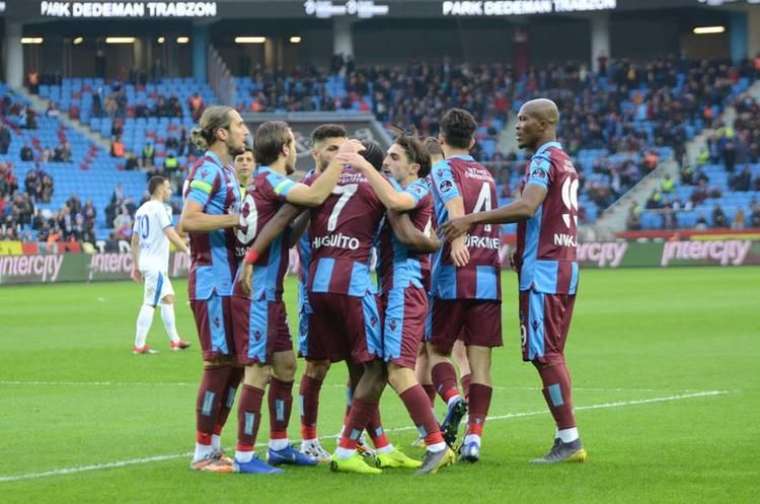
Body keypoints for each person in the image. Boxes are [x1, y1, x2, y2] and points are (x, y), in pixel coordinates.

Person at [440, 98, 587, 464]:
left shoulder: (543, 160)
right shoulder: (564, 160)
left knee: (545, 355)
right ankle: (565, 435)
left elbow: (527, 206)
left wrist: (471, 219)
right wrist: (522, 247)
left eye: (525, 119)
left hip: (545, 271)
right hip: (564, 263)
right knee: (552, 353)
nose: (518, 125)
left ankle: (569, 439)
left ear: (545, 123)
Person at [230, 121, 352, 474]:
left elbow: (287, 227)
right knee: (258, 371)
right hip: (258, 295)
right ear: (285, 148)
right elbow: (313, 196)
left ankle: (280, 446)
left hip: (273, 293)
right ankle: (243, 455)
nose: (295, 150)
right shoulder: (270, 179)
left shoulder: (267, 183)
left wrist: (307, 210)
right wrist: (340, 163)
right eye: (293, 145)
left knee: (285, 366)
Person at [336, 133, 455, 474]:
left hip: (406, 286)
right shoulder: (393, 188)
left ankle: (436, 444)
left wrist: (361, 164)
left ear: (414, 167)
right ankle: (346, 447)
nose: (386, 162)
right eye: (385, 156)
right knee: (378, 369)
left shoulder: (419, 188)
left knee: (399, 371)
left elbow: (397, 203)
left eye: (394, 157)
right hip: (388, 287)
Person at [426, 108, 503, 463]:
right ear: (473, 140)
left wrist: (457, 240)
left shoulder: (443, 167)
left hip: (454, 272)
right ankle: (474, 438)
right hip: (489, 274)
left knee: (436, 351)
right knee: (481, 361)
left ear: (441, 140)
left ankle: (454, 399)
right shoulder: (486, 173)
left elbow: (454, 202)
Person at [179, 106, 247, 473]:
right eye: (238, 125)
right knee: (219, 362)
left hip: (229, 282)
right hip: (211, 281)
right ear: (221, 133)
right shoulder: (207, 169)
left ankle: (215, 445)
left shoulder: (226, 172)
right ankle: (202, 451)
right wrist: (236, 218)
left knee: (237, 365)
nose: (244, 131)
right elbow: (188, 220)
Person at [130, 175, 191, 354]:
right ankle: (139, 345)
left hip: (148, 263)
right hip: (155, 265)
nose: (170, 190)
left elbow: (134, 240)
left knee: (168, 298)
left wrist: (135, 265)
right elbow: (170, 234)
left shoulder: (141, 210)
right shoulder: (160, 209)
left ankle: (175, 341)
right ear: (160, 189)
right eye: (167, 187)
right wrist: (187, 251)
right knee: (149, 303)